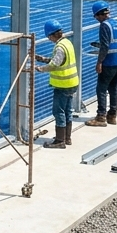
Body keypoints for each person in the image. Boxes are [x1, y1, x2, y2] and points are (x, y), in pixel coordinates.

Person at [34, 20, 79, 149]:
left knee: (58, 111)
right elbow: (61, 61)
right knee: (67, 111)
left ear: (53, 35)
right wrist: (43, 59)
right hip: (72, 83)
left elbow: (55, 64)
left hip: (63, 85)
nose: (49, 39)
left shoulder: (59, 47)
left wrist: (41, 68)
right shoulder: (67, 43)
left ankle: (60, 140)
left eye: (49, 37)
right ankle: (67, 137)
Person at [86, 0, 117, 127]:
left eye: (96, 16)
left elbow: (105, 47)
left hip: (109, 61)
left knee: (101, 89)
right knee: (114, 88)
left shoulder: (104, 25)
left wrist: (99, 62)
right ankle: (112, 115)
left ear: (100, 14)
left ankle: (101, 116)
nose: (96, 19)